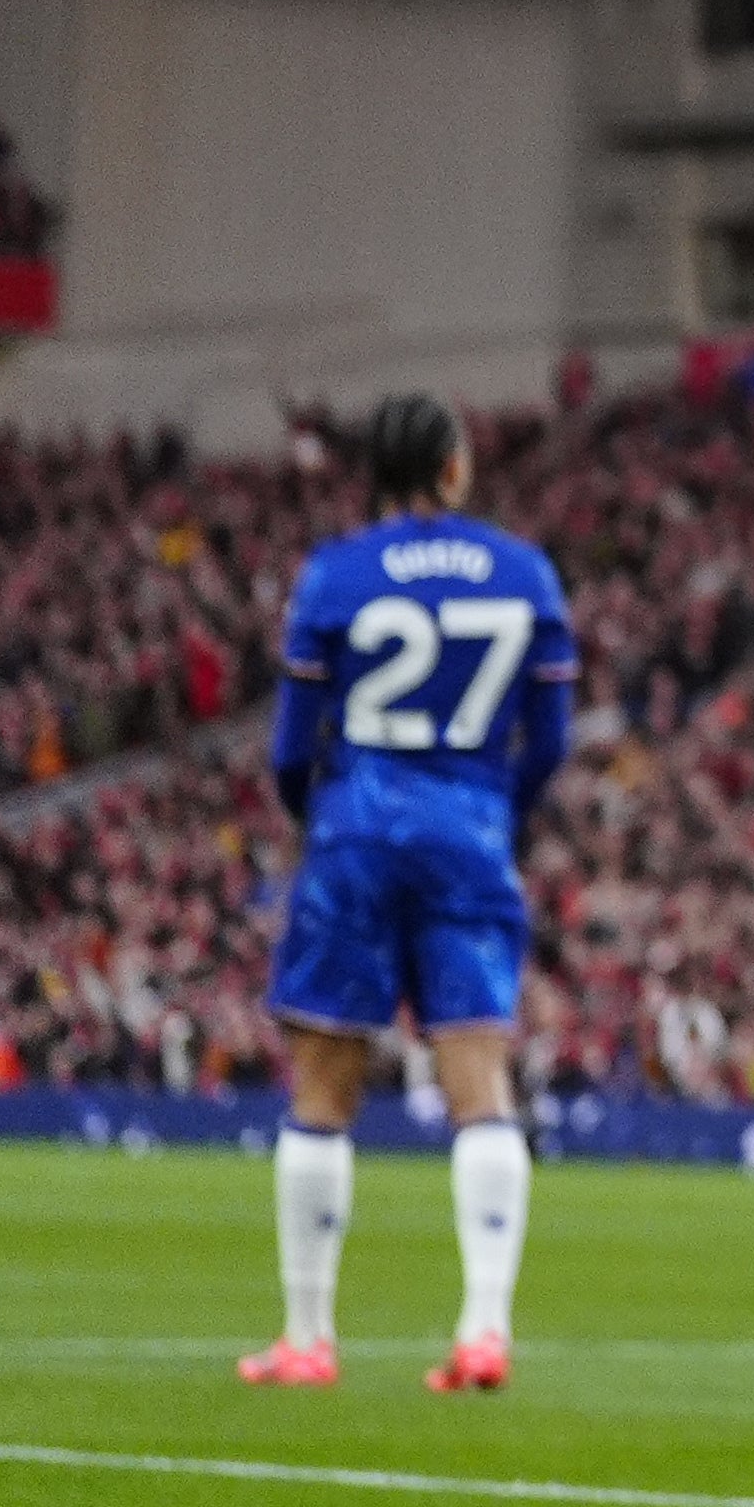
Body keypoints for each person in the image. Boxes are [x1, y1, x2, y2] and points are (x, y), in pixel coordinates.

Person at [240, 393, 573, 1395]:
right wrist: (491, 810)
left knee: (323, 1085)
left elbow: (291, 748)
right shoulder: (525, 573)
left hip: (356, 826)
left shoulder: (336, 573)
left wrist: (325, 814)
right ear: (454, 467)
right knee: (480, 1079)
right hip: (469, 828)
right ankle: (483, 1330)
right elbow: (550, 741)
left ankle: (307, 1340)